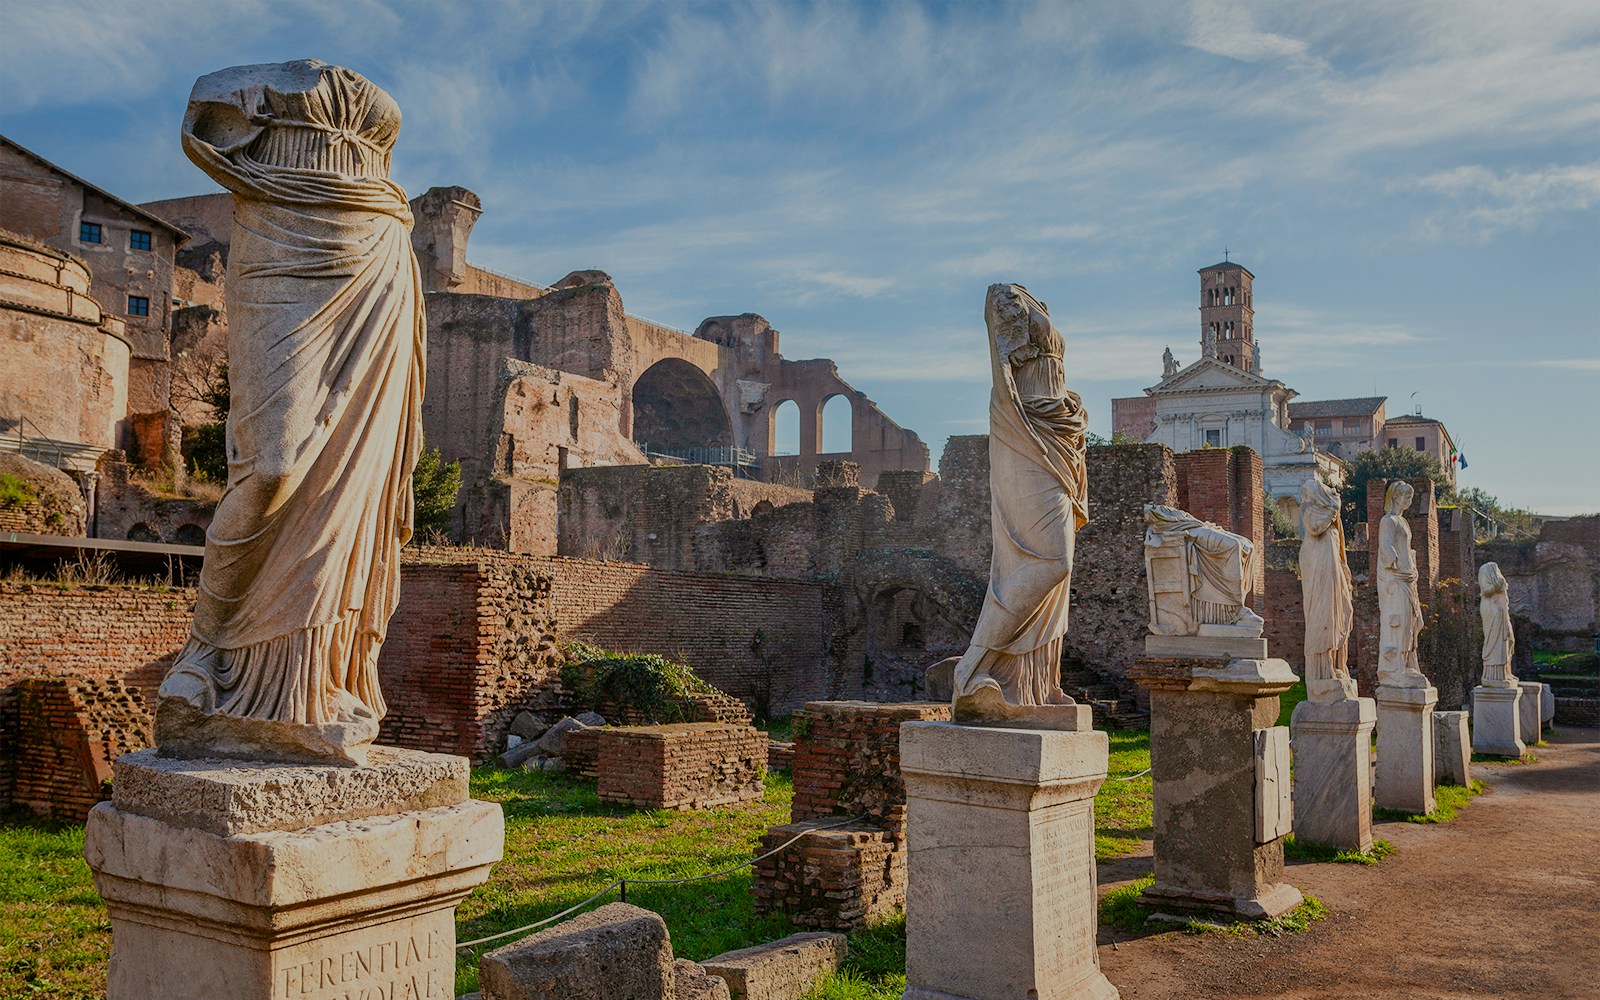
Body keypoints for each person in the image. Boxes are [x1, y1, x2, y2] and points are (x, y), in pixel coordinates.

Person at [156, 60, 424, 762]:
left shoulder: (373, 103)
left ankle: (313, 689)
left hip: (377, 242)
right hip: (281, 226)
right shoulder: (267, 76)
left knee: (350, 483)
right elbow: (202, 112)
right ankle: (206, 654)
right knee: (273, 465)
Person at [951, 283, 1088, 722]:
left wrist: (1065, 403)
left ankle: (1036, 686)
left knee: (1059, 574)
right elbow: (1003, 370)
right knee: (1052, 560)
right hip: (1026, 428)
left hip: (1058, 429)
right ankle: (973, 668)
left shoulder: (1033, 300)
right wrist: (1016, 419)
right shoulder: (1004, 297)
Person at [1299, 478, 1355, 701]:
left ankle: (1336, 664)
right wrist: (1333, 508)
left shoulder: (1331, 516)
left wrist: (1345, 569)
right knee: (1323, 616)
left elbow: (1339, 547)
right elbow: (1314, 527)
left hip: (1332, 568)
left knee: (1343, 611)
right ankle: (1322, 673)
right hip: (1317, 567)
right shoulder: (1309, 508)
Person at [1376, 481, 1426, 687]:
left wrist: (1412, 569)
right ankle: (1394, 668)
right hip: (1396, 580)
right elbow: (1386, 548)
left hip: (1408, 579)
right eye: (1406, 496)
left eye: (1411, 497)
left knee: (1413, 623)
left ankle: (1407, 664)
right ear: (1395, 497)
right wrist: (1398, 568)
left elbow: (1407, 550)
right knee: (1400, 623)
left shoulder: (1403, 522)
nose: (1409, 500)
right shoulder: (1388, 521)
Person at [1478, 562, 1517, 687]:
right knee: (1494, 642)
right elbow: (1486, 590)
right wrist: (1496, 586)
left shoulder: (1494, 570)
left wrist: (1500, 585)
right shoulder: (1484, 570)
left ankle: (1505, 671)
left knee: (1509, 639)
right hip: (1491, 610)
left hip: (1501, 611)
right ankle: (1493, 675)